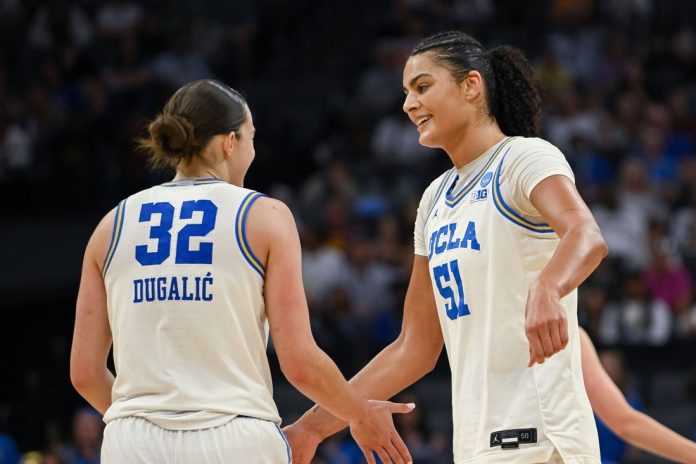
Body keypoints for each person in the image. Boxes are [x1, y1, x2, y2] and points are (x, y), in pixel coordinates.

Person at [284, 30, 609, 463]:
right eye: (406, 93)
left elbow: (585, 234)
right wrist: (313, 427)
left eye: (422, 87)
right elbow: (413, 348)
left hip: (540, 433)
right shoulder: (434, 199)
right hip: (476, 440)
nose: (408, 104)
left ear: (471, 85)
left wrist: (549, 286)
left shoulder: (524, 158)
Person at [69, 79, 414, 464]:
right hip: (234, 436)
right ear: (229, 143)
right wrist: (360, 414)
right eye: (251, 138)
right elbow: (299, 362)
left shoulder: (110, 226)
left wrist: (148, 419)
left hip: (132, 441)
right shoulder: (264, 216)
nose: (253, 150)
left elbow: (85, 373)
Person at [580, 327, 696, 463]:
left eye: (612, 366)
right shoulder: (575, 337)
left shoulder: (632, 399)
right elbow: (625, 423)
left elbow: (627, 426)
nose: (608, 370)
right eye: (604, 365)